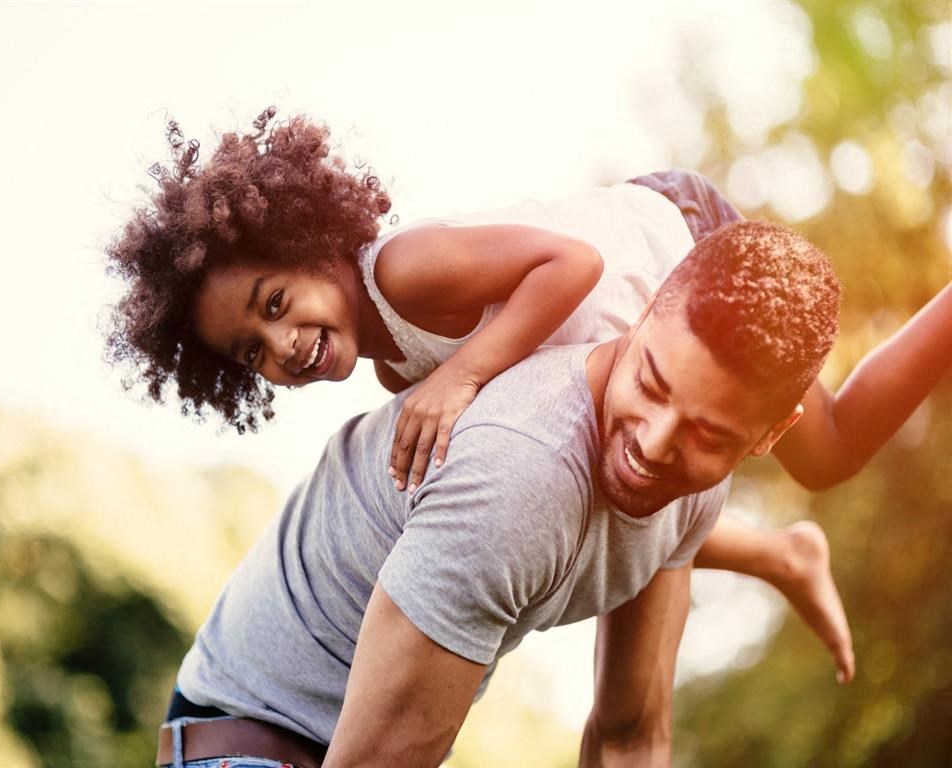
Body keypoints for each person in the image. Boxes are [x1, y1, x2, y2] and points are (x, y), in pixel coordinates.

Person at [107, 110, 950, 683]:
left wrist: (465, 373)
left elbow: (570, 265)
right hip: (628, 355)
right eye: (251, 352)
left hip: (680, 252)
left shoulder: (402, 269)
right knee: (608, 487)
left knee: (831, 448)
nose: (282, 346)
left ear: (307, 244)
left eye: (277, 304)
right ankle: (778, 553)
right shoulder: (396, 371)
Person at [151, 213, 842, 768]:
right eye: (651, 385)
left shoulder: (691, 494)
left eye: (709, 434)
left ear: (768, 437)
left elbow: (631, 737)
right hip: (251, 736)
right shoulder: (519, 476)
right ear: (641, 319)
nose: (656, 443)